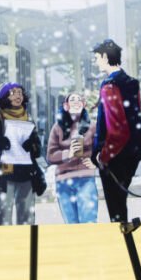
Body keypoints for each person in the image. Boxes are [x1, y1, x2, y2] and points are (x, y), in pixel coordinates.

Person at [91, 39, 141, 223]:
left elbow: (117, 129)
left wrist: (103, 155)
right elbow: (135, 117)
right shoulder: (132, 83)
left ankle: (122, 242)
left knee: (116, 209)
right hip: (133, 151)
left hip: (116, 154)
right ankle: (126, 240)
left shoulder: (109, 85)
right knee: (120, 203)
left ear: (106, 57)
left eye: (97, 57)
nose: (96, 61)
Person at [0, 82, 45, 225]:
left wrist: (32, 146)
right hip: (5, 171)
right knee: (4, 215)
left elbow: (37, 147)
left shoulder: (28, 117)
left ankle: (26, 245)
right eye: (13, 92)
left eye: (20, 92)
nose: (18, 95)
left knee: (27, 216)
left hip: (26, 172)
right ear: (4, 97)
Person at [46, 91, 99, 223]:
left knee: (88, 221)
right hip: (63, 181)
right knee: (71, 224)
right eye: (72, 100)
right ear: (66, 106)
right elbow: (50, 155)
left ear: (84, 104)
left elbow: (101, 149)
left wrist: (95, 162)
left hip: (85, 178)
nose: (76, 102)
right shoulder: (57, 128)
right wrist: (67, 154)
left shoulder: (92, 127)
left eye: (79, 100)